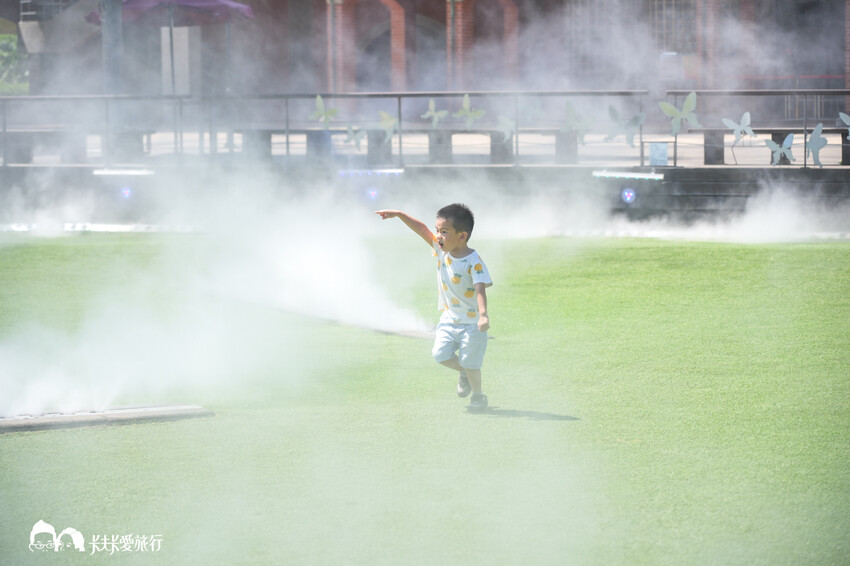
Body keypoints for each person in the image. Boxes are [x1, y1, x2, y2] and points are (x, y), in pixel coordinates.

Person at [375, 203, 493, 411]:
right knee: (440, 355)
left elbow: (480, 289)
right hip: (448, 319)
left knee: (472, 363)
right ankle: (463, 371)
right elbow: (421, 230)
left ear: (462, 236)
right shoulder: (441, 252)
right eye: (437, 230)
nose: (437, 236)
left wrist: (483, 316)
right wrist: (400, 214)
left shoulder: (473, 261)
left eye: (444, 232)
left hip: (472, 324)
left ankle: (478, 396)